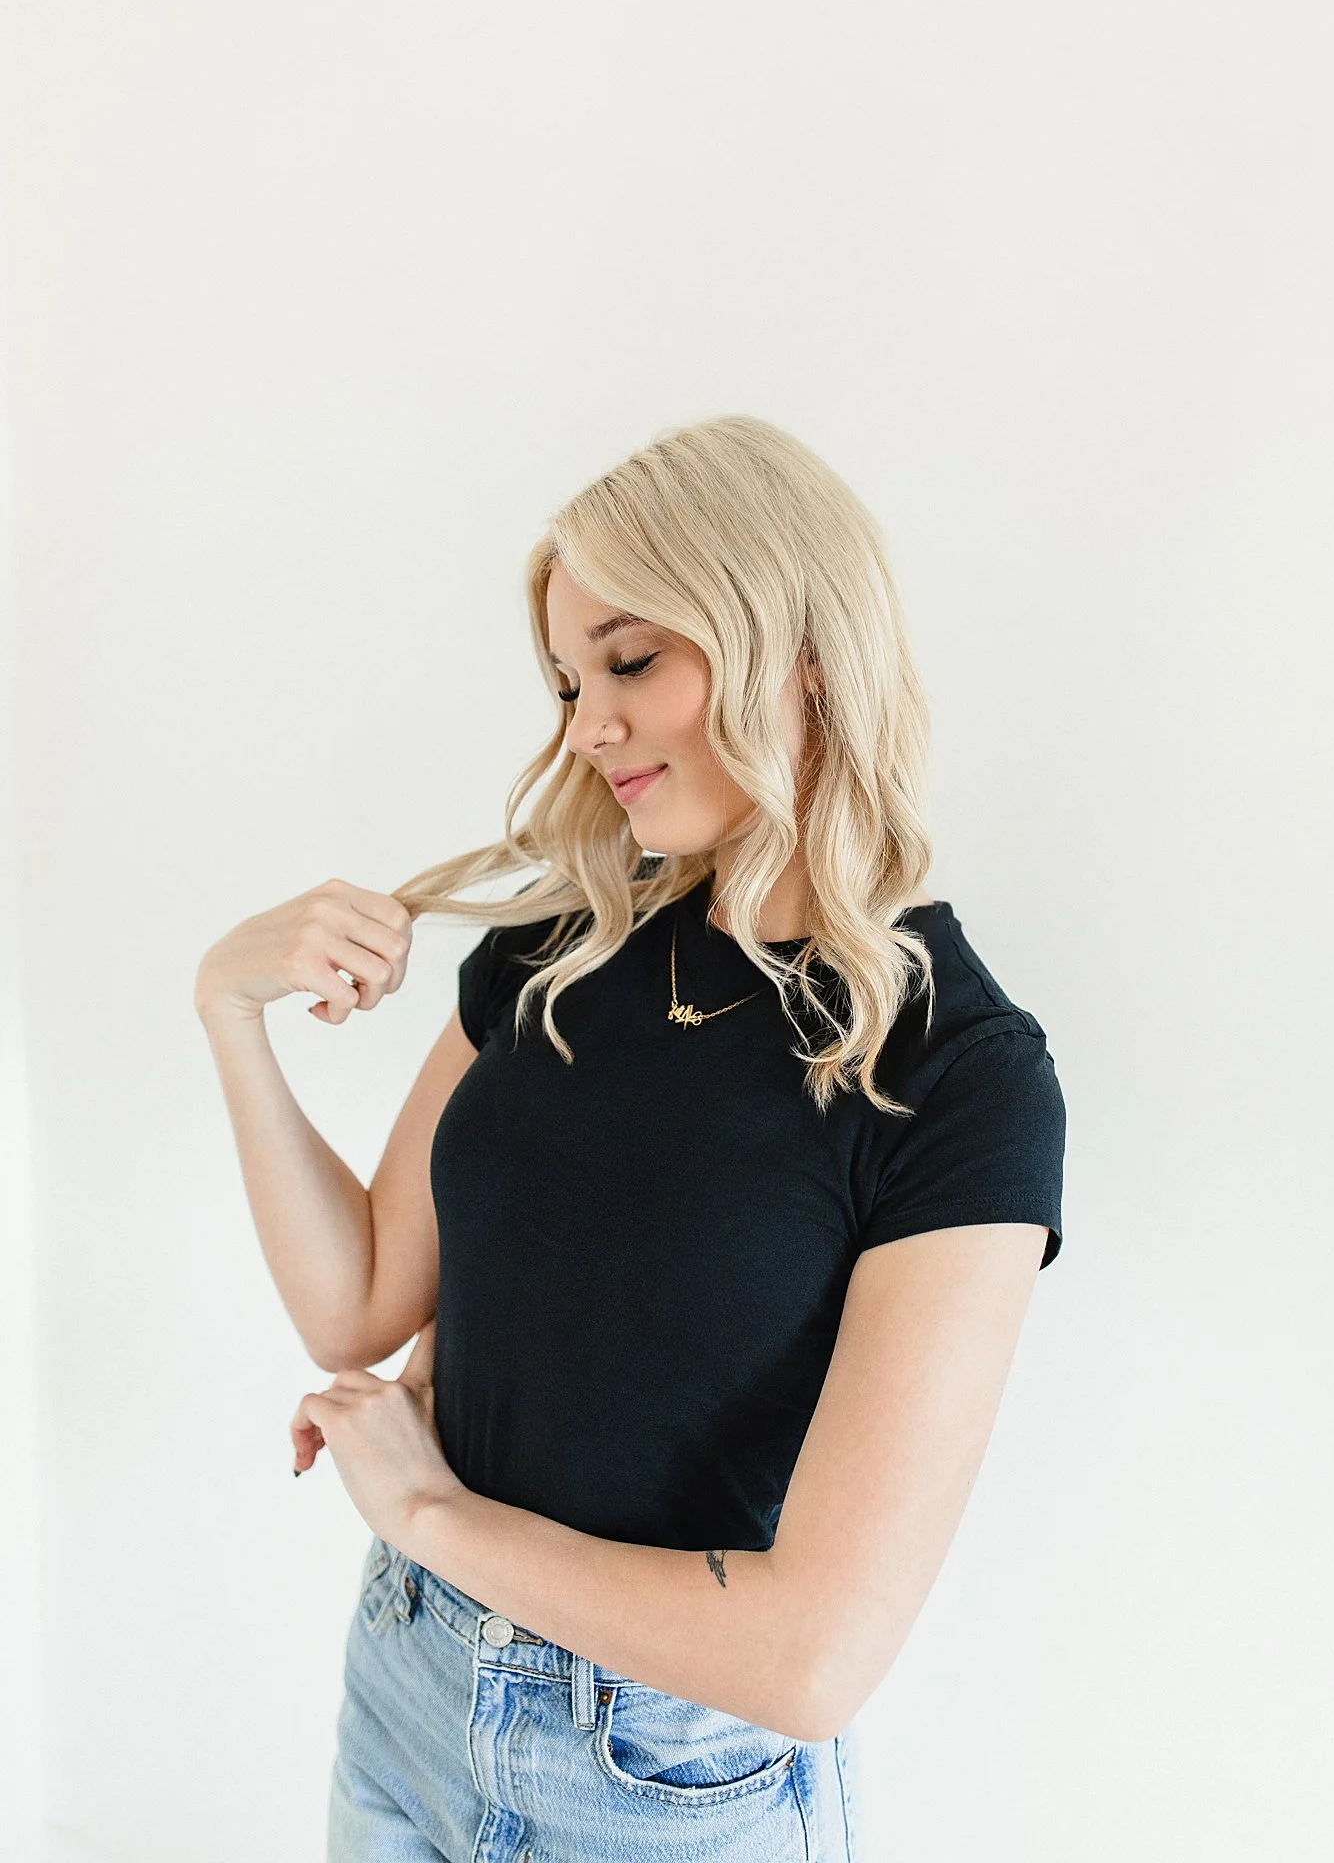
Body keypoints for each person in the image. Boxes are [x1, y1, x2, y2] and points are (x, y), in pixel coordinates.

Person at [194, 413, 1066, 1861]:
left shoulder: (959, 1074)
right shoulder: (559, 952)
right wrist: (232, 1010)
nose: (585, 725)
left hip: (663, 1783)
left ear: (791, 646)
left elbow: (812, 1658)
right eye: (567, 678)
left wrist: (429, 1514)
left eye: (630, 660)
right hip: (406, 1682)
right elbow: (355, 1303)